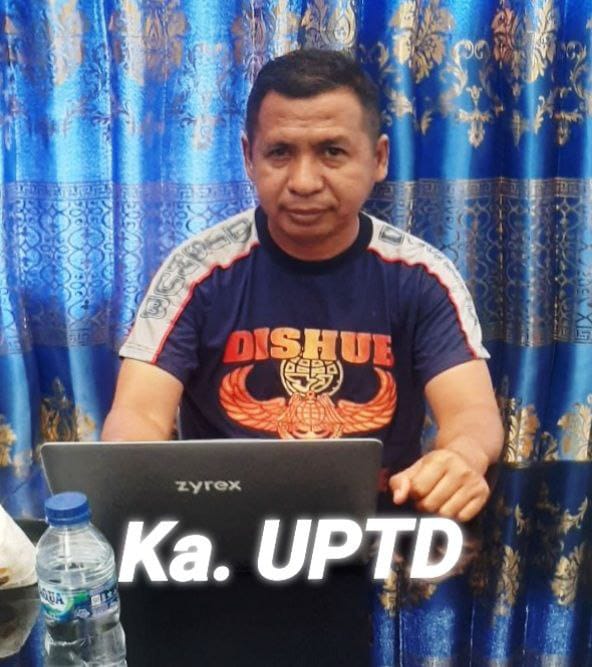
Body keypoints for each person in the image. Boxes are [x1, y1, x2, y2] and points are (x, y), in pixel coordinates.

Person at [102, 49, 504, 523]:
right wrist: (135, 476)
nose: (304, 182)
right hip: (224, 531)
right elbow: (138, 416)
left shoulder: (422, 276)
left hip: (378, 530)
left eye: (332, 152)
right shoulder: (195, 272)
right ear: (249, 158)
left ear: (378, 159)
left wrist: (463, 457)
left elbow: (472, 414)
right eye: (280, 153)